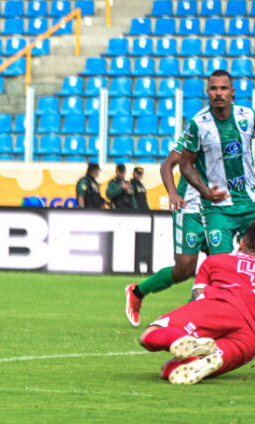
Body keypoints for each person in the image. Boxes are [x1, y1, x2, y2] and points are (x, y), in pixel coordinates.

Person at [137, 223, 255, 385]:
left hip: (221, 306)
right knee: (171, 369)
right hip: (250, 338)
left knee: (150, 334)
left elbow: (198, 294)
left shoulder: (217, 260)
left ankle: (190, 345)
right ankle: (205, 358)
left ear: (241, 243)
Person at [125, 139, 223, 327]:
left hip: (217, 211)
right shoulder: (198, 129)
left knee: (221, 268)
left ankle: (191, 320)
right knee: (184, 269)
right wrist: (172, 193)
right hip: (189, 209)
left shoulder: (236, 131)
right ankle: (138, 292)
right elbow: (167, 164)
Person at [178, 70, 255, 260]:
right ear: (207, 92)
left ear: (232, 92)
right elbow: (185, 164)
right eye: (213, 88)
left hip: (250, 202)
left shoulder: (248, 116)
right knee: (221, 266)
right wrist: (205, 191)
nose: (218, 93)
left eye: (223, 88)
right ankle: (201, 288)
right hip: (217, 206)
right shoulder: (197, 124)